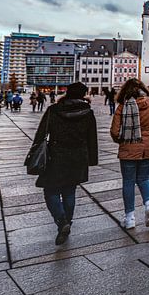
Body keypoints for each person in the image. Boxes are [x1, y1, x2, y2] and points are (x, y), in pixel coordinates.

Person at [30, 82, 98, 245]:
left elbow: (41, 133)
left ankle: (62, 221)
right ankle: (67, 221)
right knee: (69, 191)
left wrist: (35, 151)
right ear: (83, 95)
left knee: (50, 191)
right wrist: (92, 160)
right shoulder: (88, 113)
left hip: (56, 155)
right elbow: (92, 139)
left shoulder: (54, 110)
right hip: (78, 156)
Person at [111, 79, 149, 229]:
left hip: (129, 147)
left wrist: (121, 139)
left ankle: (130, 219)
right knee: (144, 178)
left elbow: (115, 131)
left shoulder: (123, 106)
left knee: (128, 181)